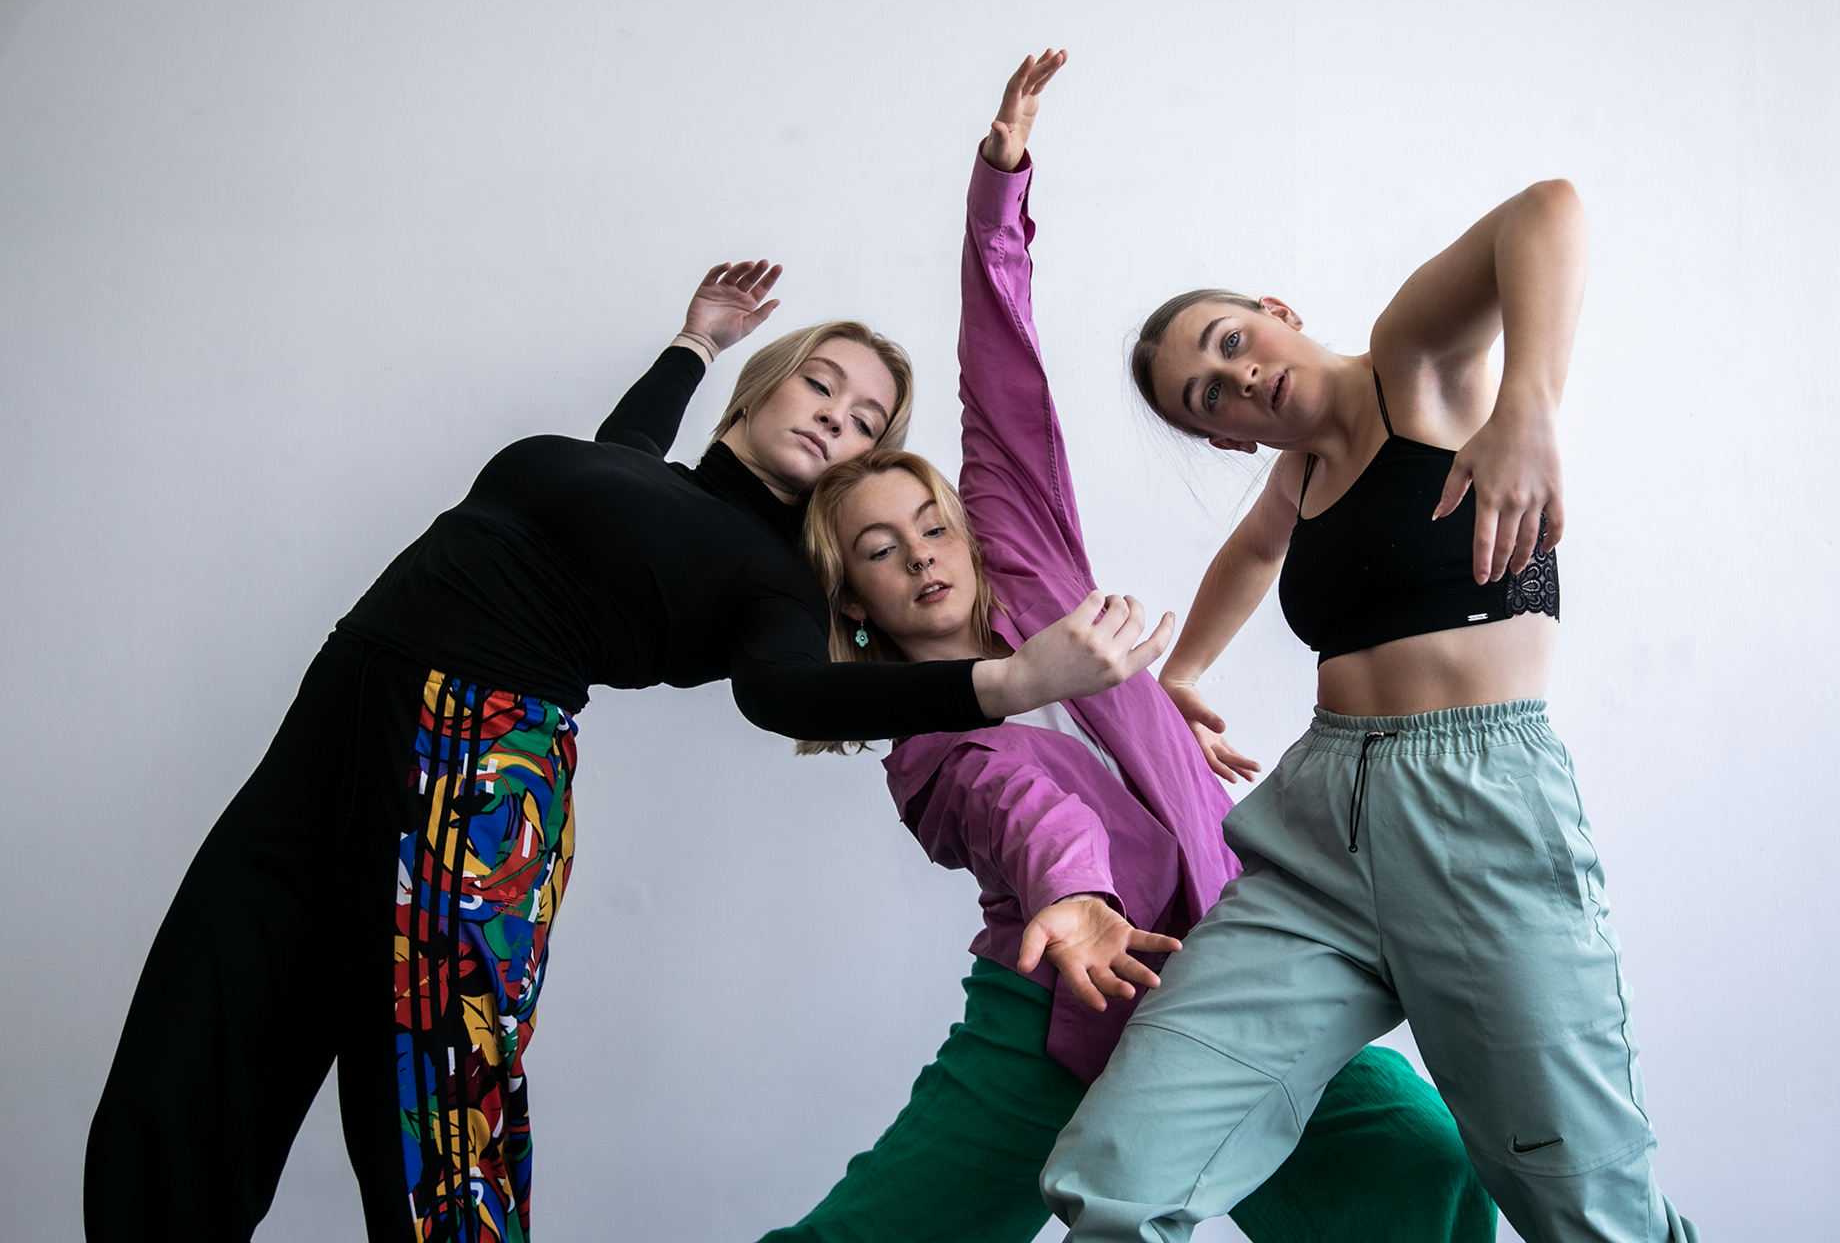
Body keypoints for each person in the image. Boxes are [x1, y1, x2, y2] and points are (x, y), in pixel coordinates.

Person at [83, 262, 1173, 1243]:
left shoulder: (778, 579)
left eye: (864, 423)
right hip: (346, 701)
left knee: (437, 1084)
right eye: (822, 388)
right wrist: (695, 340)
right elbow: (622, 457)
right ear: (765, 387)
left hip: (477, 748)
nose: (836, 418)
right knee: (216, 997)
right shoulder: (642, 477)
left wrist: (1011, 682)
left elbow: (781, 690)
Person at [761, 51, 1496, 1243]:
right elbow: (1013, 802)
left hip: (1236, 974)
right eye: (884, 552)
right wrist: (1079, 898)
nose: (926, 554)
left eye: (933, 521)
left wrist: (1000, 186)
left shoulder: (1036, 562)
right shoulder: (923, 740)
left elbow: (1002, 384)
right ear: (856, 605)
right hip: (1054, 1007)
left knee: (1421, 1165)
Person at [1036, 100, 1698, 1243]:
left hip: (1480, 811)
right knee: (1118, 1178)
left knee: (1587, 1208)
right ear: (1226, 438)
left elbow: (1546, 211)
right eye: (1209, 397)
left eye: (1233, 343)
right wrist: (1180, 672)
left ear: (1278, 314)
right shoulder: (1295, 479)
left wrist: (1530, 404)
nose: (1237, 380)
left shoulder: (1414, 364)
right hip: (1315, 839)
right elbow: (1249, 553)